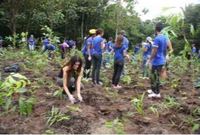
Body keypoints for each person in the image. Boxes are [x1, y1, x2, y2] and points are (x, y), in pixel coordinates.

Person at [146, 22, 170, 98]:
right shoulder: (164, 38)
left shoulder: (157, 38)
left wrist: (149, 60)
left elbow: (154, 51)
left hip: (157, 61)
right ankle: (153, 90)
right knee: (155, 76)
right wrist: (165, 56)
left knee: (154, 77)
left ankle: (156, 93)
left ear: (156, 30)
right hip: (161, 60)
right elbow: (166, 49)